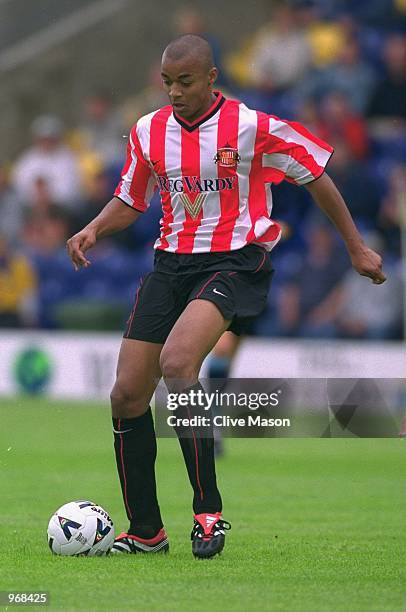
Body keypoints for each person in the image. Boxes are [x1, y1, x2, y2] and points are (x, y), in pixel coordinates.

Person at [66, 35, 386, 560]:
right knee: (125, 394)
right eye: (167, 82)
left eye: (185, 82)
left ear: (212, 77)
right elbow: (132, 197)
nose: (174, 92)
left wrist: (355, 247)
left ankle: (207, 514)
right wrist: (95, 228)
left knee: (178, 362)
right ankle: (146, 532)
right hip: (170, 265)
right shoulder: (148, 130)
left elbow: (317, 175)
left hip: (235, 260)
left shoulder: (252, 126)